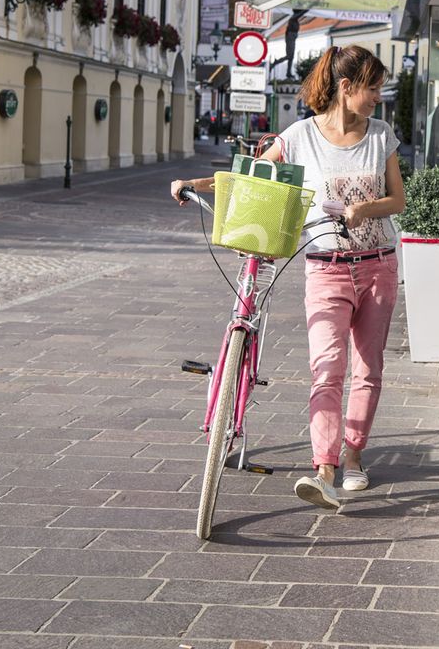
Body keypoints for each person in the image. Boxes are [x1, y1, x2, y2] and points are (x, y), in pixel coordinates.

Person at [170, 45, 404, 511]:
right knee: (327, 369)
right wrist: (194, 184)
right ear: (346, 87)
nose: (379, 96)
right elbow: (251, 175)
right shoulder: (300, 136)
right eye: (373, 87)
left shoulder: (382, 136)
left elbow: (397, 199)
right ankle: (325, 469)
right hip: (326, 269)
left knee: (367, 370)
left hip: (379, 265)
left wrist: (364, 209)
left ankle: (354, 456)